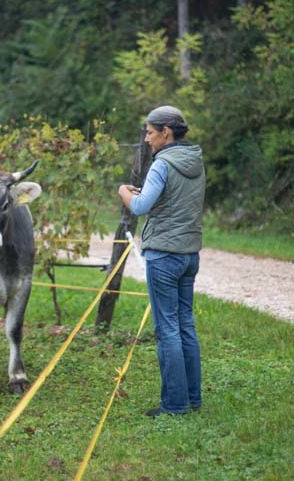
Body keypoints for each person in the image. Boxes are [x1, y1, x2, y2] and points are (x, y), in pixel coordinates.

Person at [118, 105, 205, 417]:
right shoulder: (195, 160)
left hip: (163, 257)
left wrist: (123, 192)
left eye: (150, 132)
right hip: (188, 255)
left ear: (165, 133)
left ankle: (174, 406)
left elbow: (140, 206)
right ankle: (192, 399)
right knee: (185, 325)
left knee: (167, 329)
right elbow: (174, 200)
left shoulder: (161, 164)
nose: (145, 139)